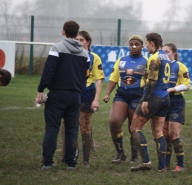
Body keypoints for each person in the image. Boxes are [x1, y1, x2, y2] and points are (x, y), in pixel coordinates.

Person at [36, 20, 90, 170]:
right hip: (75, 96)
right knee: (72, 129)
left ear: (63, 32)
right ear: (76, 33)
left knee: (52, 128)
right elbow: (86, 74)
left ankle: (47, 162)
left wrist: (41, 89)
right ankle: (71, 163)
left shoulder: (57, 48)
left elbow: (49, 71)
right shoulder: (85, 53)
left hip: (57, 94)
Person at [130, 32, 171, 172]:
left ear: (152, 43)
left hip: (154, 97)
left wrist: (146, 100)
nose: (146, 46)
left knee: (135, 127)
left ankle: (146, 162)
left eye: (146, 43)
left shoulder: (154, 58)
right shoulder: (166, 56)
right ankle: (162, 167)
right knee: (158, 132)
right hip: (165, 97)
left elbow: (152, 81)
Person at [103, 35, 147, 164]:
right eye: (131, 44)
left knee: (133, 128)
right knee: (114, 122)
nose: (133, 46)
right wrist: (107, 93)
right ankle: (120, 153)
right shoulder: (121, 60)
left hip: (138, 95)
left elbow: (150, 82)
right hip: (122, 94)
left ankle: (134, 155)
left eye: (136, 44)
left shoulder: (147, 62)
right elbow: (114, 78)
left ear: (142, 47)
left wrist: (147, 97)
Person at [75, 30, 105, 167]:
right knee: (68, 126)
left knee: (84, 128)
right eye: (76, 40)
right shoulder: (70, 56)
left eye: (81, 40)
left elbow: (99, 80)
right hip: (71, 92)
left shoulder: (94, 57)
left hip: (87, 93)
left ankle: (85, 161)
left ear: (88, 42)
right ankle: (67, 156)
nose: (78, 42)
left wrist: (96, 99)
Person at [162, 43, 192, 172]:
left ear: (174, 53)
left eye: (167, 51)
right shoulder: (160, 67)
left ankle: (180, 165)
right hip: (163, 102)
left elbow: (187, 85)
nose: (165, 54)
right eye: (163, 52)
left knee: (174, 134)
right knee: (165, 135)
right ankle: (166, 165)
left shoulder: (180, 66)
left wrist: (171, 89)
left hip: (176, 102)